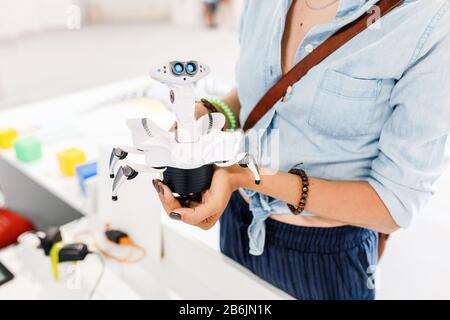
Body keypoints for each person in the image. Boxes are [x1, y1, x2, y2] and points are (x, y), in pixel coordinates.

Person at [154, 0, 450, 300]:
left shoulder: (430, 18)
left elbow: (394, 204)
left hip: (325, 256)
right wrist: (207, 113)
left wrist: (241, 176)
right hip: (237, 221)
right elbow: (257, 92)